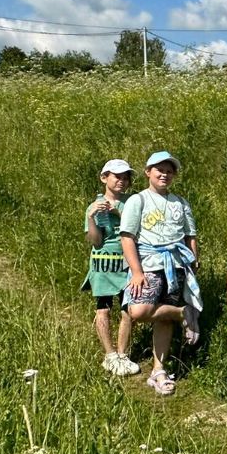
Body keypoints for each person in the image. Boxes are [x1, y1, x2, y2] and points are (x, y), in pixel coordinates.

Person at [120, 151, 201, 397]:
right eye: (159, 170)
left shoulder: (181, 203)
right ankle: (182, 313)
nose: (164, 174)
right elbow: (127, 237)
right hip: (149, 265)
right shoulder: (138, 200)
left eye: (169, 171)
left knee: (162, 319)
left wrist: (193, 263)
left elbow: (190, 236)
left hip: (176, 266)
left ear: (174, 175)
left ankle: (159, 370)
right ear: (148, 172)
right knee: (138, 311)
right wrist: (136, 271)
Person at [82, 159, 139, 376]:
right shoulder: (93, 206)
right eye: (117, 176)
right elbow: (96, 241)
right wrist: (91, 217)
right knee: (103, 308)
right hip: (103, 263)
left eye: (126, 178)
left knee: (128, 310)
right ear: (104, 178)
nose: (122, 181)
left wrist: (119, 214)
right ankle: (110, 354)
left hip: (127, 262)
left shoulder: (132, 203)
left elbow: (137, 231)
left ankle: (123, 354)